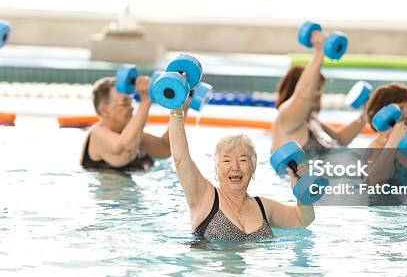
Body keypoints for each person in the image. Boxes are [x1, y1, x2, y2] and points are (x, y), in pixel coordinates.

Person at [169, 107, 315, 241]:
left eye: (243, 160)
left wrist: (301, 193)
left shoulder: (263, 206)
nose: (235, 167)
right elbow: (180, 160)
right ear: (216, 168)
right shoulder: (204, 198)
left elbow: (303, 220)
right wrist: (176, 111)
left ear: (254, 167)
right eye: (227, 161)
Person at [272, 32, 366, 155]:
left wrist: (365, 116)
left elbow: (341, 139)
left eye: (320, 88)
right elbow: (302, 96)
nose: (319, 94)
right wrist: (319, 50)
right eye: (315, 88)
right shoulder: (286, 118)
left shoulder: (312, 120)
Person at [80, 76, 171, 170]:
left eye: (131, 102)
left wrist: (179, 107)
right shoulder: (97, 134)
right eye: (125, 103)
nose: (132, 107)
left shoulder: (131, 136)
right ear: (104, 110)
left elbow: (166, 149)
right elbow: (123, 147)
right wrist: (145, 101)